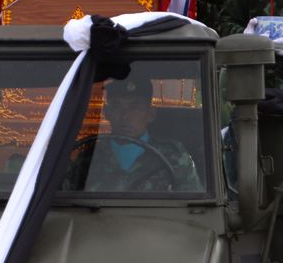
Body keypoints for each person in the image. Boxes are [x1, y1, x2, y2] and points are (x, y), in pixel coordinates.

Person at [64, 78, 202, 192]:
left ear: (151, 113)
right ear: (107, 112)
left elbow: (193, 209)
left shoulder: (174, 156)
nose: (125, 115)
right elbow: (68, 202)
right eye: (117, 106)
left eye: (134, 106)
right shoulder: (88, 156)